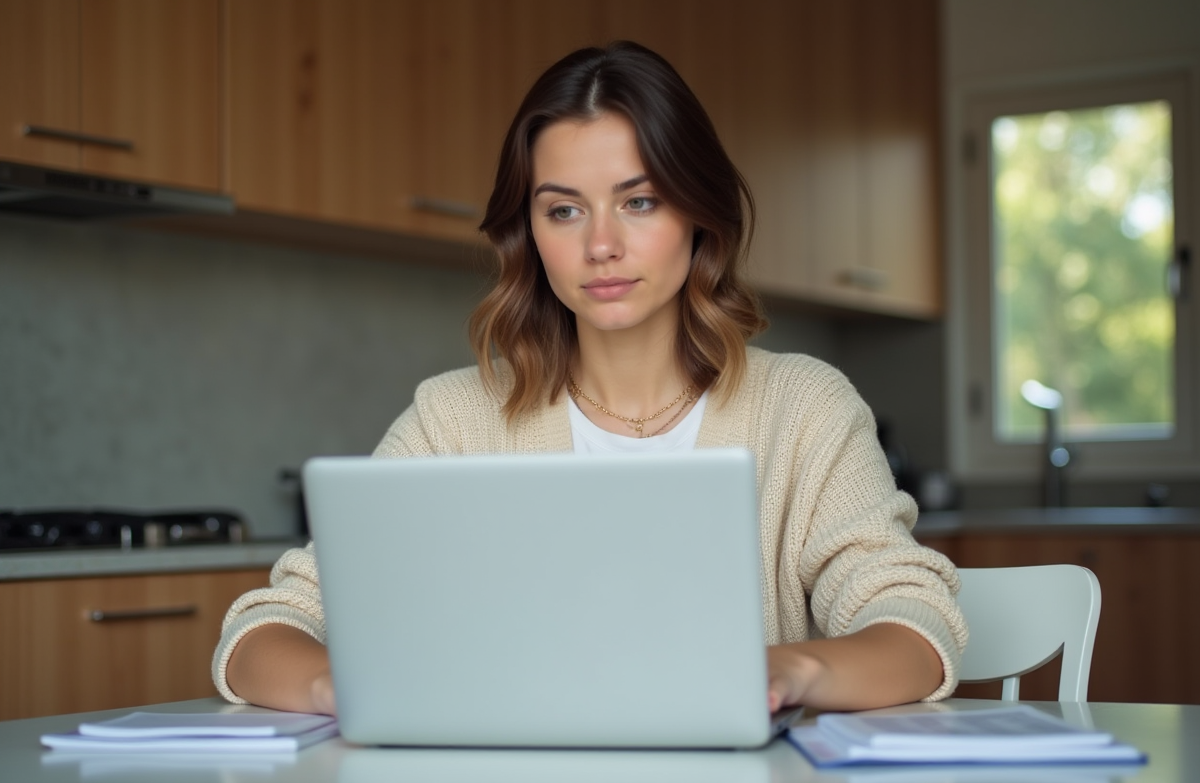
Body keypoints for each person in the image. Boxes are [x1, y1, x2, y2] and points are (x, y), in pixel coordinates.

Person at [213, 41, 967, 717]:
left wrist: (784, 671)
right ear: (531, 234)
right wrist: (342, 686)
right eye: (564, 210)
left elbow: (913, 622)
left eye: (639, 201)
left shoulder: (804, 409)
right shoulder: (453, 419)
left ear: (699, 213)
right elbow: (266, 628)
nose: (601, 244)